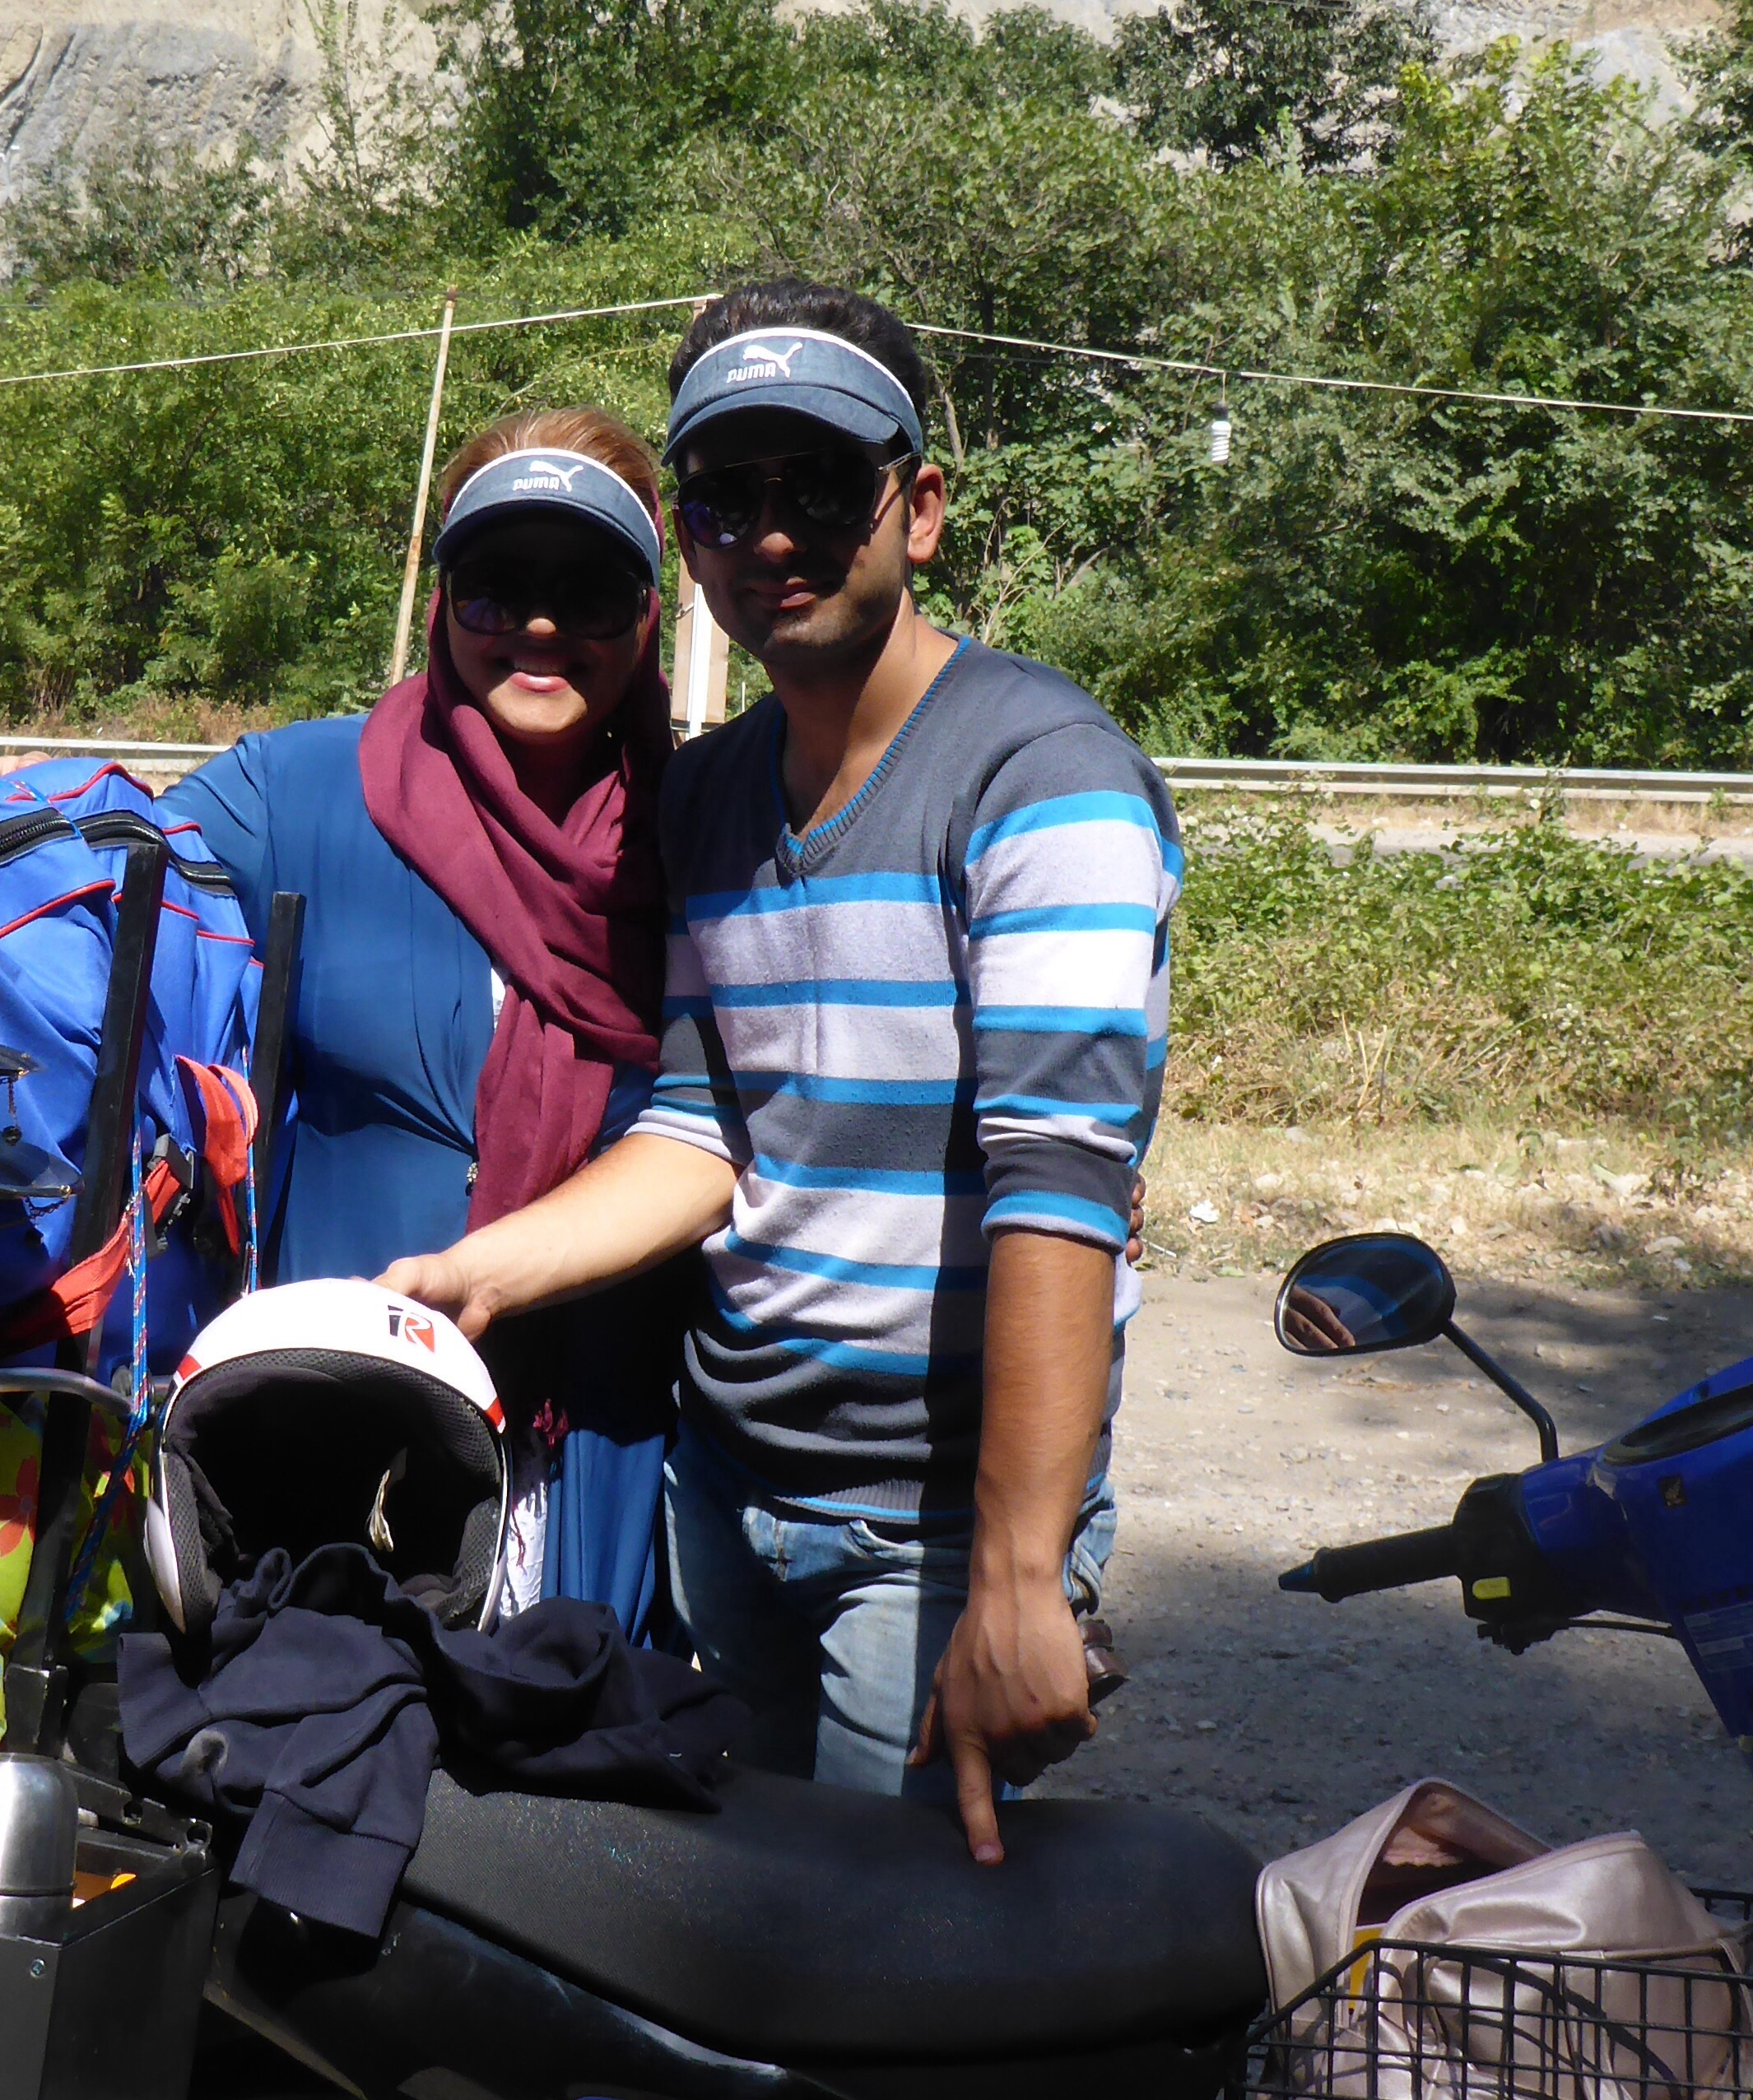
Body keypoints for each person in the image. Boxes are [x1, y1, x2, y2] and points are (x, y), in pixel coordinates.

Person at [382, 281, 1180, 1862]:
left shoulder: (1044, 779)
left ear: (918, 508)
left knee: (893, 1945)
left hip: (933, 1524)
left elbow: (1059, 1189)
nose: (770, 535)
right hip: (728, 1483)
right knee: (748, 1921)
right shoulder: (714, 796)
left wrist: (1019, 1579)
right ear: (688, 542)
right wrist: (482, 1273)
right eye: (725, 497)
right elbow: (706, 1127)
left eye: (818, 485)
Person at [168, 409, 686, 1636]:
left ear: (649, 611)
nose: (541, 627)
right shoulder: (296, 794)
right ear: (445, 596)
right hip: (331, 1431)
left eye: (588, 589)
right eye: (498, 584)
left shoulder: (703, 830)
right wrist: (20, 820)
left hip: (599, 1448)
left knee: (569, 1735)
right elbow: (105, 881)